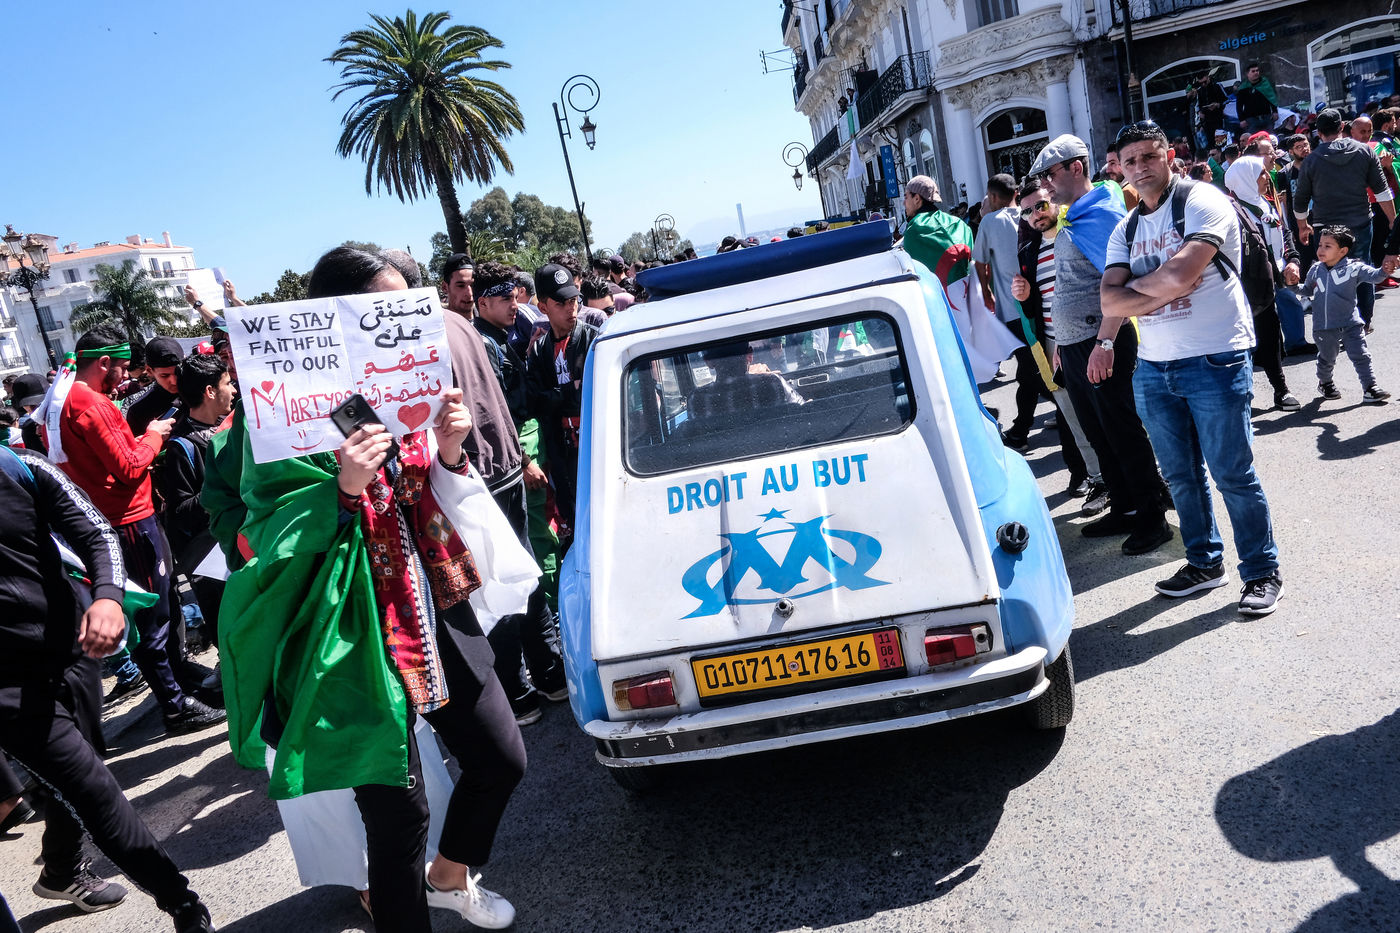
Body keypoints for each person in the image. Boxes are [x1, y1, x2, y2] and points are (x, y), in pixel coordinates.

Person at [219, 246, 525, 931]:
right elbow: (262, 525)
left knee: (501, 758)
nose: (395, 320)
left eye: (403, 304)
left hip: (433, 605)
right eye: (379, 307)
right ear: (333, 314)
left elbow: (426, 488)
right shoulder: (281, 402)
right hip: (351, 627)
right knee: (399, 817)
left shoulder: (405, 383)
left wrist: (451, 450)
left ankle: (449, 877)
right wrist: (342, 490)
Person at [0, 444, 214, 931]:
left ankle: (60, 868)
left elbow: (96, 532)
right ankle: (183, 905)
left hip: (75, 651)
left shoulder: (19, 466)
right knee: (93, 789)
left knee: (82, 768)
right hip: (10, 690)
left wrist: (108, 598)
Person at [1103, 120, 1284, 615]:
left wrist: (1142, 290)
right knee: (1180, 477)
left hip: (1215, 357)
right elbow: (1110, 300)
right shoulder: (1126, 227)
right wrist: (1161, 288)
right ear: (1120, 169)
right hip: (1154, 367)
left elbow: (1183, 273)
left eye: (1149, 156)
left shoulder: (1202, 200)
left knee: (1232, 474)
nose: (1140, 167)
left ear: (1168, 157)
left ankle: (1261, 571)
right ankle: (1204, 562)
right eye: (1130, 160)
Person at [52, 325, 225, 734]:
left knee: (163, 609)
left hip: (120, 518)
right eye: (123, 368)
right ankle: (176, 706)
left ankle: (180, 683)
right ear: (104, 362)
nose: (125, 378)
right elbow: (129, 467)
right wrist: (153, 437)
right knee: (155, 615)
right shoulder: (89, 403)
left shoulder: (64, 399)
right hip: (128, 520)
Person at [1030, 133, 1170, 556]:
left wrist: (1103, 343)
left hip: (1100, 341)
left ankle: (1152, 517)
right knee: (1099, 432)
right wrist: (1065, 340)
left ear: (1076, 167)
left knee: (1121, 430)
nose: (1045, 185)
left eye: (1049, 175)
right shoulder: (1078, 213)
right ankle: (1125, 505)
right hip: (1079, 343)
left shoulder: (1098, 214)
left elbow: (1121, 285)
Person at [467, 262, 568, 726]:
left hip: (510, 464)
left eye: (515, 296)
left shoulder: (500, 338)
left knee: (524, 568)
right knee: (513, 573)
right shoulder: (482, 345)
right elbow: (496, 411)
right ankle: (520, 686)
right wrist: (524, 458)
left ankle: (544, 675)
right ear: (483, 302)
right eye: (505, 298)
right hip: (503, 471)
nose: (515, 304)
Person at [1009, 179, 1107, 512]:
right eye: (1027, 212)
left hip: (1094, 336)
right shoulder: (1028, 250)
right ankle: (1099, 480)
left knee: (1115, 411)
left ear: (1053, 199)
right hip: (1052, 343)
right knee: (1074, 417)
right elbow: (1034, 305)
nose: (1035, 215)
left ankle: (1144, 479)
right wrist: (1024, 296)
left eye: (1040, 205)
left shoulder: (1078, 232)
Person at [158, 350, 236, 641]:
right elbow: (180, 511)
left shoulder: (234, 427)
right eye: (227, 383)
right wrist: (224, 485)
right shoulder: (181, 446)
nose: (233, 390)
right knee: (226, 631)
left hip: (241, 547)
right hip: (212, 563)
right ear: (210, 391)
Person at [1293, 108, 1395, 328]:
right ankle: (1363, 321)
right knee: (1363, 269)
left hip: (1326, 228)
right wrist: (1392, 220)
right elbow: (1382, 190)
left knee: (1331, 275)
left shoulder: (1311, 161)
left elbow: (1300, 201)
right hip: (1360, 223)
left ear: (1318, 132)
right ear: (1341, 127)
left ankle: (1339, 323)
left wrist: (1302, 226)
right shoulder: (1364, 152)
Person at [525, 263, 600, 549]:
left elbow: (594, 393)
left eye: (573, 300)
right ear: (543, 307)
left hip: (595, 445)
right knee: (577, 517)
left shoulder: (594, 339)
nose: (571, 308)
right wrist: (569, 390)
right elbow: (537, 400)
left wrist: (559, 395)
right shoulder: (539, 350)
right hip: (563, 451)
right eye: (561, 303)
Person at [1222, 155, 1303, 410]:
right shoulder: (1229, 211)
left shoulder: (1264, 204)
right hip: (1244, 287)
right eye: (1261, 174)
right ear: (1245, 179)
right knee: (1243, 343)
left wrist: (1292, 260)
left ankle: (1281, 390)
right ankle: (1241, 397)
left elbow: (1284, 233)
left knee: (1270, 335)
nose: (1268, 177)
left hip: (1269, 283)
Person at [973, 174, 1039, 447]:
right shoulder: (1030, 213)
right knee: (1033, 366)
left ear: (992, 197)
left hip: (1014, 310)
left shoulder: (990, 221)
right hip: (1039, 304)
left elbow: (979, 262)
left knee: (1031, 370)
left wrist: (986, 291)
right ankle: (1027, 427)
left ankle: (1022, 430)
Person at [1299, 226, 1391, 403]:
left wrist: (1385, 270)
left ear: (1343, 251)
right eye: (1320, 245)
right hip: (1324, 326)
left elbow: (1375, 276)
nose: (1321, 250)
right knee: (1327, 357)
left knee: (1361, 355)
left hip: (1351, 323)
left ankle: (1370, 388)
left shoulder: (1354, 268)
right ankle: (1325, 382)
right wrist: (1291, 285)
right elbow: (1306, 290)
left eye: (1328, 246)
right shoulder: (1315, 269)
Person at [124, 336, 184, 436]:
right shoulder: (138, 411)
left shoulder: (201, 391)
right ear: (149, 370)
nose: (174, 381)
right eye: (164, 375)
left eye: (178, 372)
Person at [1188, 70, 1229, 151]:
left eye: (1205, 82)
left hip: (1218, 118)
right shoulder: (1200, 90)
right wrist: (1199, 112)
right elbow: (1197, 106)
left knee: (1221, 140)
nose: (1203, 84)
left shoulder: (1217, 86)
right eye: (1201, 83)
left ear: (1208, 78)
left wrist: (1218, 104)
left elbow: (1226, 100)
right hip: (1207, 120)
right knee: (1210, 142)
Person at [1235, 63, 1279, 133]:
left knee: (1270, 137)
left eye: (1257, 70)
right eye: (1253, 71)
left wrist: (1275, 111)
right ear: (1247, 74)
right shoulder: (1243, 88)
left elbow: (1271, 98)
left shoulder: (1265, 84)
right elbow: (1239, 105)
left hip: (1267, 117)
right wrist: (1241, 119)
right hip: (1251, 120)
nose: (1256, 73)